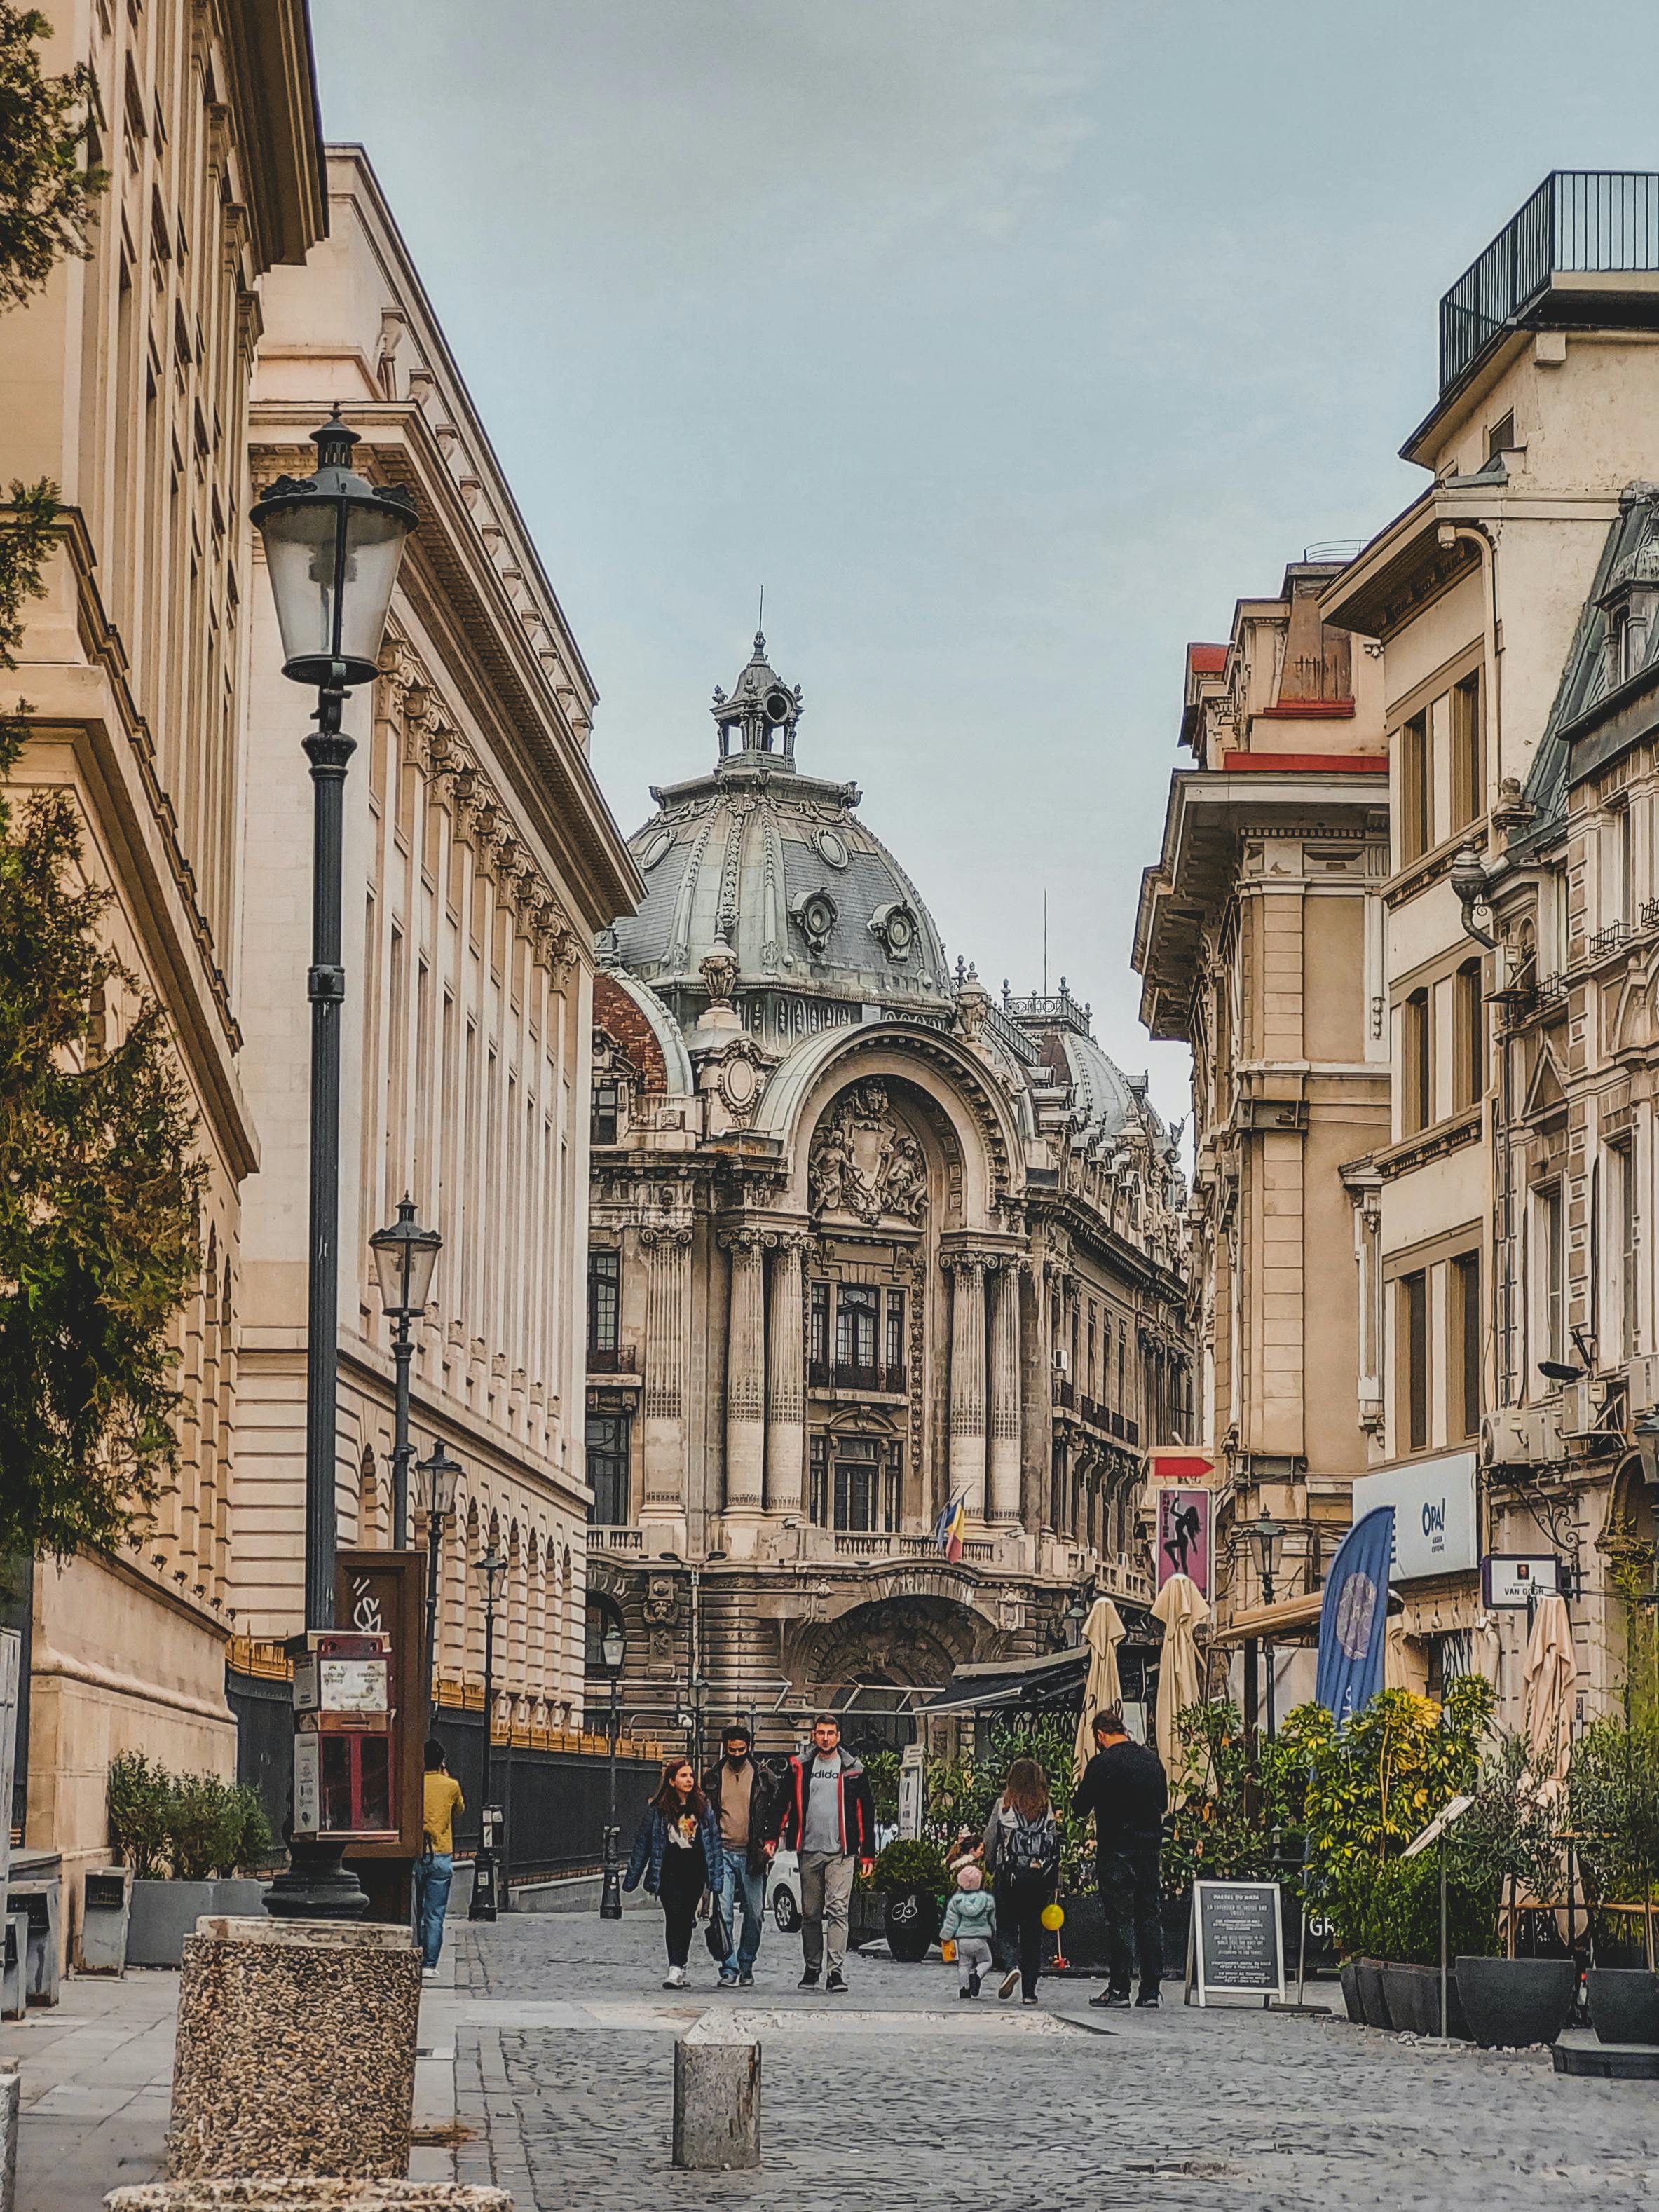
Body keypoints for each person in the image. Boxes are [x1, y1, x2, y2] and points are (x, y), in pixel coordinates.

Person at [1073, 1702, 1168, 2009]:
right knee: (1149, 1916)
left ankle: (1119, 1989)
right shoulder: (1151, 1760)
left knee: (1120, 1919)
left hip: (1115, 1849)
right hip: (1149, 1849)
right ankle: (1151, 1990)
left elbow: (1080, 1808)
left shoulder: (1102, 1764)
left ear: (1100, 1735)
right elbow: (1163, 1803)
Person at [774, 1714, 875, 1993]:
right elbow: (784, 1803)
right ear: (814, 1735)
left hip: (841, 1852)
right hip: (809, 1849)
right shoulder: (800, 1767)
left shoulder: (853, 1769)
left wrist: (868, 1853)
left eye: (831, 1733)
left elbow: (865, 1812)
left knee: (838, 1910)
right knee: (810, 1913)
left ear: (838, 1736)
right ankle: (812, 1968)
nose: (826, 1738)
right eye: (821, 1733)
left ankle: (835, 1971)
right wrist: (773, 1837)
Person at [623, 1755, 724, 1988]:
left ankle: (681, 1965)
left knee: (686, 1918)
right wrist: (632, 1878)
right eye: (683, 1776)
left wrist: (715, 1878)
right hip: (669, 1871)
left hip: (695, 1871)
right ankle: (674, 1967)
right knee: (674, 1915)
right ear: (671, 1781)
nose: (689, 1780)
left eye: (691, 1776)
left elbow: (713, 1843)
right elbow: (643, 1843)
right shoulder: (658, 1810)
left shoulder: (703, 1808)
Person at [702, 1721, 776, 1990]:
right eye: (731, 1750)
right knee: (722, 1913)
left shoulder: (763, 1777)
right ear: (725, 1748)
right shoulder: (713, 1777)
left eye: (740, 1750)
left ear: (748, 1748)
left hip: (752, 1853)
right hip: (722, 1850)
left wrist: (770, 1840)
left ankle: (746, 1963)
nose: (735, 1754)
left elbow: (775, 1812)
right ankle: (729, 1967)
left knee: (755, 1914)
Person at [981, 1755, 1060, 2006]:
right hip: (1037, 1878)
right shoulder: (1045, 1807)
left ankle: (1012, 1965)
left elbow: (990, 1838)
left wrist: (991, 1866)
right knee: (1032, 1933)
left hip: (1009, 1876)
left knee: (1005, 1926)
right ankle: (1029, 1992)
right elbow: (1054, 1842)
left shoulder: (1003, 1805)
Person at [416, 1737, 464, 1980]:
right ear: (442, 1762)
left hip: (417, 1854)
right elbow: (459, 1810)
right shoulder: (451, 1786)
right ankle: (430, 1963)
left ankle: (414, 1956)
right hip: (441, 1854)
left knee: (415, 1912)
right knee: (435, 1914)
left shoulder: (415, 1784)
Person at [939, 1860, 997, 1999]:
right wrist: (994, 1931)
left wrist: (945, 1936)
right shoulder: (987, 1900)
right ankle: (977, 1975)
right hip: (980, 1940)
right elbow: (992, 1919)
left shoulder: (956, 1901)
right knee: (986, 1961)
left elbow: (951, 1922)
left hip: (963, 1940)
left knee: (964, 1965)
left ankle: (964, 1989)